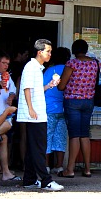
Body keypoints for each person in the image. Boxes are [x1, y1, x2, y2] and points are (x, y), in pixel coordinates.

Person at [17, 39, 64, 191]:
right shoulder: (31, 67)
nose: (50, 54)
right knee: (39, 147)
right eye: (48, 51)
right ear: (39, 52)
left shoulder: (37, 68)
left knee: (33, 148)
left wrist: (50, 85)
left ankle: (29, 179)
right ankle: (46, 180)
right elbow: (27, 89)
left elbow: (36, 89)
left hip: (37, 112)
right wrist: (31, 108)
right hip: (35, 113)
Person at [56, 40, 97, 178]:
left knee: (74, 135)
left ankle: (70, 169)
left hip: (73, 101)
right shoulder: (95, 63)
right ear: (86, 49)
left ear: (74, 50)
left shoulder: (72, 63)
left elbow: (61, 86)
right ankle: (87, 169)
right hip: (88, 101)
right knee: (85, 134)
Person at [44, 47, 70, 175]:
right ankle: (59, 166)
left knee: (47, 136)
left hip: (49, 108)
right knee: (61, 137)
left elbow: (42, 88)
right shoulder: (69, 70)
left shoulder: (49, 70)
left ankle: (46, 165)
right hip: (65, 107)